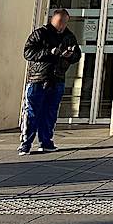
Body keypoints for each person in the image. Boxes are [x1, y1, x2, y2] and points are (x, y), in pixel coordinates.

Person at [19, 8, 81, 155]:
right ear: (52, 20)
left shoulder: (69, 37)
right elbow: (28, 52)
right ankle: (25, 144)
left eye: (64, 23)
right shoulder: (40, 33)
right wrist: (49, 52)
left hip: (57, 79)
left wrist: (69, 55)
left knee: (50, 113)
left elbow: (77, 55)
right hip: (38, 79)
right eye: (59, 22)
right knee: (32, 112)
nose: (61, 26)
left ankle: (46, 142)